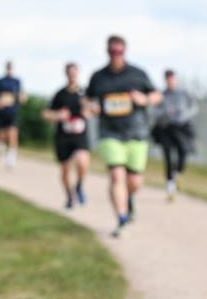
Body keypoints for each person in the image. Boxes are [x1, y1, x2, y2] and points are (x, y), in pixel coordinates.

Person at [85, 35, 161, 237]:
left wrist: (144, 99)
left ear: (125, 51)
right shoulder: (98, 77)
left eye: (119, 51)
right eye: (112, 51)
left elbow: (156, 95)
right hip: (110, 133)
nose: (115, 55)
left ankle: (129, 199)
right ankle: (121, 218)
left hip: (136, 133)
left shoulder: (138, 74)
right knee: (116, 175)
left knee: (134, 181)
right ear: (107, 51)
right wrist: (91, 107)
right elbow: (87, 100)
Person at [43, 62, 91, 209]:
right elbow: (45, 113)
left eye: (74, 72)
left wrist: (88, 112)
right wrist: (58, 115)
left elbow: (94, 109)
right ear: (66, 74)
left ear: (78, 73)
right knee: (65, 169)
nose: (72, 75)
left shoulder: (84, 93)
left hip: (79, 134)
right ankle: (70, 196)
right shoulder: (60, 94)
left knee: (82, 162)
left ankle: (79, 186)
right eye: (69, 73)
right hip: (63, 135)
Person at [151, 69, 198, 201]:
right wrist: (165, 113)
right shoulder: (161, 95)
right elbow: (153, 111)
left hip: (181, 127)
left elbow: (193, 107)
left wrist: (184, 115)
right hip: (166, 128)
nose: (170, 81)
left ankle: (177, 174)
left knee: (183, 152)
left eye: (172, 79)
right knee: (168, 157)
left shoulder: (184, 93)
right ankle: (170, 187)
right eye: (168, 79)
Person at [0, 60, 26, 170]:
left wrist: (22, 98)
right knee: (3, 134)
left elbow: (22, 95)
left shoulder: (17, 81)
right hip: (3, 112)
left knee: (13, 134)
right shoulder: (0, 81)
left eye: (10, 68)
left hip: (13, 111)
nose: (9, 69)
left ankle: (11, 158)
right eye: (7, 67)